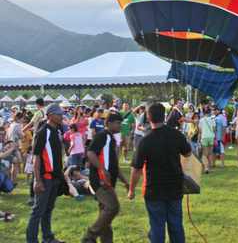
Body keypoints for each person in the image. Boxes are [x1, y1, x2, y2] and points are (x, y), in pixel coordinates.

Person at [128, 101, 191, 243]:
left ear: (148, 119)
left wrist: (131, 190)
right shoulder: (176, 135)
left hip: (154, 189)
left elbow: (136, 169)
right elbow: (187, 154)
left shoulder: (145, 141)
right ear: (164, 117)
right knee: (176, 224)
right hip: (174, 186)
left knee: (157, 226)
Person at [81, 112, 130, 243]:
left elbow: (114, 165)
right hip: (100, 179)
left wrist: (125, 182)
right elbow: (91, 153)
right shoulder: (102, 136)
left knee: (105, 212)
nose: (120, 126)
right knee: (113, 207)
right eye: (118, 123)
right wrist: (102, 169)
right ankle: (89, 236)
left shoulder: (111, 139)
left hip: (107, 180)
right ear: (109, 124)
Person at [26, 103, 65, 243]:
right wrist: (37, 179)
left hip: (55, 177)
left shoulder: (57, 131)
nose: (62, 116)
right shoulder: (43, 132)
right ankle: (31, 240)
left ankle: (47, 237)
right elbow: (36, 157)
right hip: (45, 177)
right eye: (58, 114)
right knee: (38, 210)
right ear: (50, 116)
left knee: (48, 208)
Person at [198, 107, 215, 174]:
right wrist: (215, 138)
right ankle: (209, 167)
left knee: (204, 154)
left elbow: (199, 131)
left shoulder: (201, 120)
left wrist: (198, 140)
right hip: (211, 137)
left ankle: (206, 168)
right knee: (210, 154)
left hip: (204, 137)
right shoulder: (212, 120)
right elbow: (214, 130)